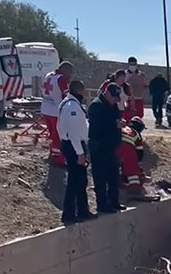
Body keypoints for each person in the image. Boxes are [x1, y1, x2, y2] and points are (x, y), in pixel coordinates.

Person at [57, 80, 96, 224]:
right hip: (74, 146)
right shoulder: (71, 106)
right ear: (79, 90)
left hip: (74, 145)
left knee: (81, 181)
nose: (85, 93)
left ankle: (82, 211)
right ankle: (69, 215)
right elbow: (73, 132)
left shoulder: (69, 103)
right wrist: (80, 153)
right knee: (74, 182)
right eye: (83, 90)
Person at [88, 83, 126, 214]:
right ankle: (102, 205)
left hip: (111, 147)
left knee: (113, 176)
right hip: (99, 147)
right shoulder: (96, 106)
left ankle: (114, 202)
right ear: (107, 93)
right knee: (100, 178)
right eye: (114, 97)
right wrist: (114, 125)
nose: (116, 100)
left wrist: (120, 124)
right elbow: (97, 127)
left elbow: (116, 119)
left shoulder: (113, 106)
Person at [42, 61, 73, 166]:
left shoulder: (48, 75)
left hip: (46, 109)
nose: (70, 75)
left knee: (52, 134)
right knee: (58, 136)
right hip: (56, 111)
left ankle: (52, 153)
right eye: (70, 72)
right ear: (66, 70)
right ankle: (58, 159)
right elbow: (67, 95)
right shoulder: (61, 79)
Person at [117, 116, 147, 196]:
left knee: (117, 167)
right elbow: (140, 152)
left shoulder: (122, 128)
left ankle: (117, 184)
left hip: (114, 149)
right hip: (128, 151)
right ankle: (135, 191)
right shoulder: (136, 134)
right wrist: (136, 163)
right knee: (132, 172)